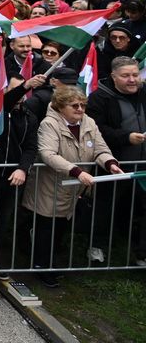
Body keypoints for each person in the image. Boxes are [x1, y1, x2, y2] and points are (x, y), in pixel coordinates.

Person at [21, 85, 122, 288]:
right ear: (60, 107)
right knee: (46, 228)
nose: (80, 109)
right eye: (74, 105)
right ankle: (41, 266)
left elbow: (100, 149)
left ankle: (51, 263)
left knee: (61, 228)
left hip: (74, 188)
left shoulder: (89, 122)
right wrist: (76, 171)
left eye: (83, 105)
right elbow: (48, 154)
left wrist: (110, 163)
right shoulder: (49, 124)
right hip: (50, 186)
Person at [84, 56, 145, 265]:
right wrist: (125, 137)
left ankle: (141, 253)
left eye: (135, 75)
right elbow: (97, 129)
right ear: (113, 76)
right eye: (126, 76)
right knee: (105, 207)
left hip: (142, 164)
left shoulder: (143, 93)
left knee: (141, 208)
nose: (132, 80)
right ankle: (96, 248)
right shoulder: (100, 98)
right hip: (113, 164)